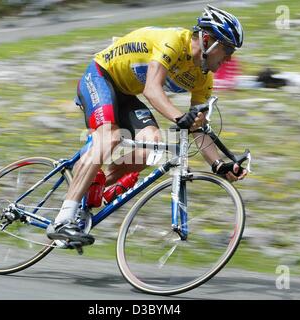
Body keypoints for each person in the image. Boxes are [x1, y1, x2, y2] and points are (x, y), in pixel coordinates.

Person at [46, 5, 248, 243]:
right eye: (227, 49)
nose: (230, 58)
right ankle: (62, 219)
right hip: (101, 76)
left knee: (150, 147)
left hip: (125, 94)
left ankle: (91, 192)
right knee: (109, 137)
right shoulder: (174, 41)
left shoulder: (203, 78)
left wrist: (218, 165)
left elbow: (197, 128)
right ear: (207, 40)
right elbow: (152, 90)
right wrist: (178, 117)